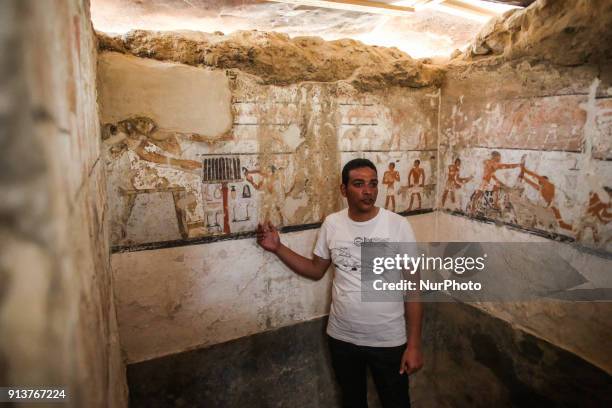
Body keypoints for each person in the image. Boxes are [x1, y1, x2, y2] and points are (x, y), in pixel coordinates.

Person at [257, 158, 423, 408]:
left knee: (396, 402)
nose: (368, 191)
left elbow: (414, 290)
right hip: (342, 338)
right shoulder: (333, 224)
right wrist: (278, 247)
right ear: (343, 190)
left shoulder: (397, 226)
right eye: (359, 184)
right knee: (352, 401)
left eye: (373, 184)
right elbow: (315, 270)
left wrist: (414, 345)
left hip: (388, 340)